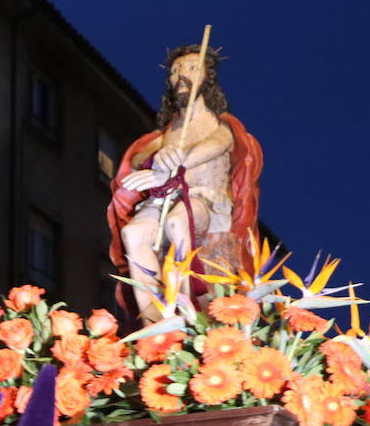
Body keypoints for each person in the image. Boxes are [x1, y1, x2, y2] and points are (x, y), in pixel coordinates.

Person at [107, 45, 262, 324]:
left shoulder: (219, 124)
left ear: (207, 78)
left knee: (178, 223)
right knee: (134, 233)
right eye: (176, 71)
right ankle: (153, 321)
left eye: (191, 68)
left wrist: (177, 164)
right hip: (165, 198)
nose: (182, 75)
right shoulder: (168, 132)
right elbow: (141, 155)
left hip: (205, 202)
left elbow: (216, 145)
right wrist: (155, 160)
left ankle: (191, 317)